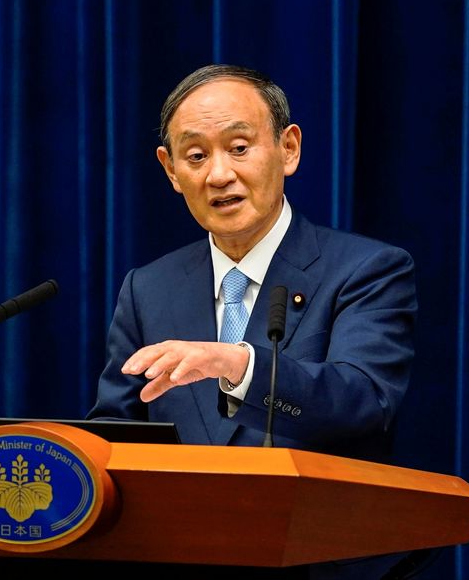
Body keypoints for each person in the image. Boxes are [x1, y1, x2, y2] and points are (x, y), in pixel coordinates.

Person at [86, 64, 420, 579]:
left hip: (317, 562)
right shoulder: (148, 288)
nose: (218, 174)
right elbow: (115, 435)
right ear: (171, 171)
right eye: (195, 156)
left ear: (288, 149)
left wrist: (240, 366)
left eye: (239, 148)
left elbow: (364, 398)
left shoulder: (367, 269)